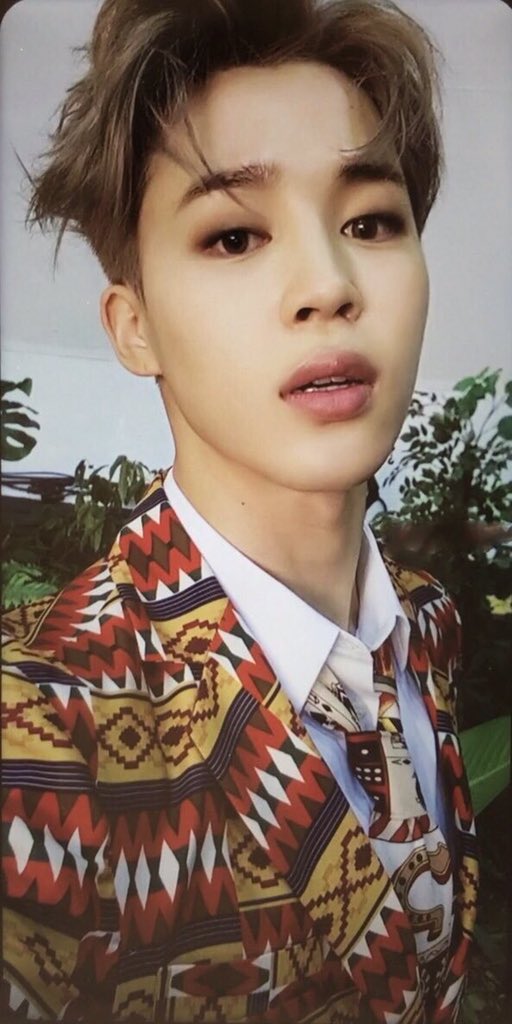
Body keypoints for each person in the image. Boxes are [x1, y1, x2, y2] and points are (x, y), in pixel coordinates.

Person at [2, 1, 479, 1021]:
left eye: (370, 222)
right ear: (134, 326)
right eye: (232, 235)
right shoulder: (44, 731)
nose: (328, 285)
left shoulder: (427, 624)